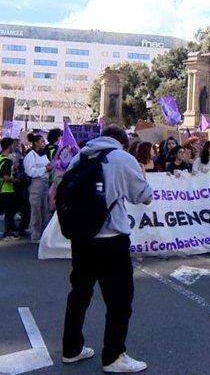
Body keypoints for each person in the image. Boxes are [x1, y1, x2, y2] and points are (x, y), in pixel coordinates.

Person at [62, 125, 152, 373]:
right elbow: (144, 196)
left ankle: (71, 348)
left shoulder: (79, 157)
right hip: (111, 237)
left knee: (79, 293)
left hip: (81, 237)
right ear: (122, 141)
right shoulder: (122, 158)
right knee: (120, 300)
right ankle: (113, 355)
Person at [24, 133, 52, 243]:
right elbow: (30, 171)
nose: (44, 144)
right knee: (36, 210)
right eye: (42, 142)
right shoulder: (30, 156)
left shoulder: (44, 155)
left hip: (45, 183)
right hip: (36, 183)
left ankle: (44, 233)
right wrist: (44, 169)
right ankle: (35, 234)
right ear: (36, 143)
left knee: (45, 210)